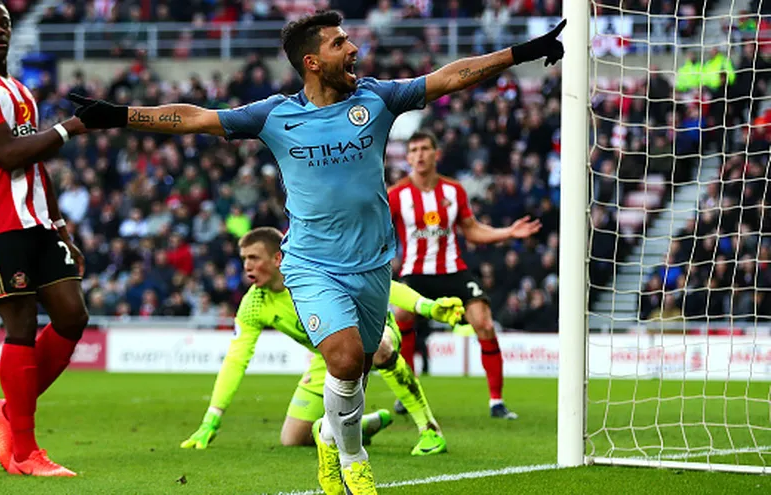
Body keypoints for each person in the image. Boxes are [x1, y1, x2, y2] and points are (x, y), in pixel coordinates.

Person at [69, 11, 565, 494]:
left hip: (372, 264)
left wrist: (521, 52)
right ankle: (355, 463)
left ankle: (329, 436)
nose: (353, 49)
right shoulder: (275, 115)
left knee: (359, 370)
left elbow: (450, 77)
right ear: (311, 61)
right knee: (344, 360)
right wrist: (119, 115)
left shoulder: (376, 99)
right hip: (310, 264)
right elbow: (194, 118)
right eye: (339, 43)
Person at [0, 0, 90, 477]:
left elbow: (34, 161)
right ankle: (25, 453)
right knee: (22, 324)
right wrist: (70, 127)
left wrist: (61, 225)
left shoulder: (19, 90)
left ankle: (9, 410)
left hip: (38, 221)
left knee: (72, 315)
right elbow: (8, 154)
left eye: (4, 23)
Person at [180, 227, 462, 456]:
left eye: (254, 258)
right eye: (244, 259)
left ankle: (430, 431)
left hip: (372, 331)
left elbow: (382, 286)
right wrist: (211, 419)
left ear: (277, 258)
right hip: (328, 356)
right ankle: (357, 427)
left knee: (379, 347)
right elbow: (236, 360)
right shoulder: (254, 305)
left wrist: (427, 307)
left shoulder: (313, 274)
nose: (247, 266)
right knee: (293, 438)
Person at [389, 131, 542, 421]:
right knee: (402, 315)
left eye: (425, 149)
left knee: (484, 323)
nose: (419, 155)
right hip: (415, 272)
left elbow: (471, 230)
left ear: (436, 154)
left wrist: (508, 232)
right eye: (414, 150)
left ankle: (496, 402)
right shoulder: (396, 195)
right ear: (407, 157)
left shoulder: (453, 190)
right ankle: (407, 391)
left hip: (453, 270)